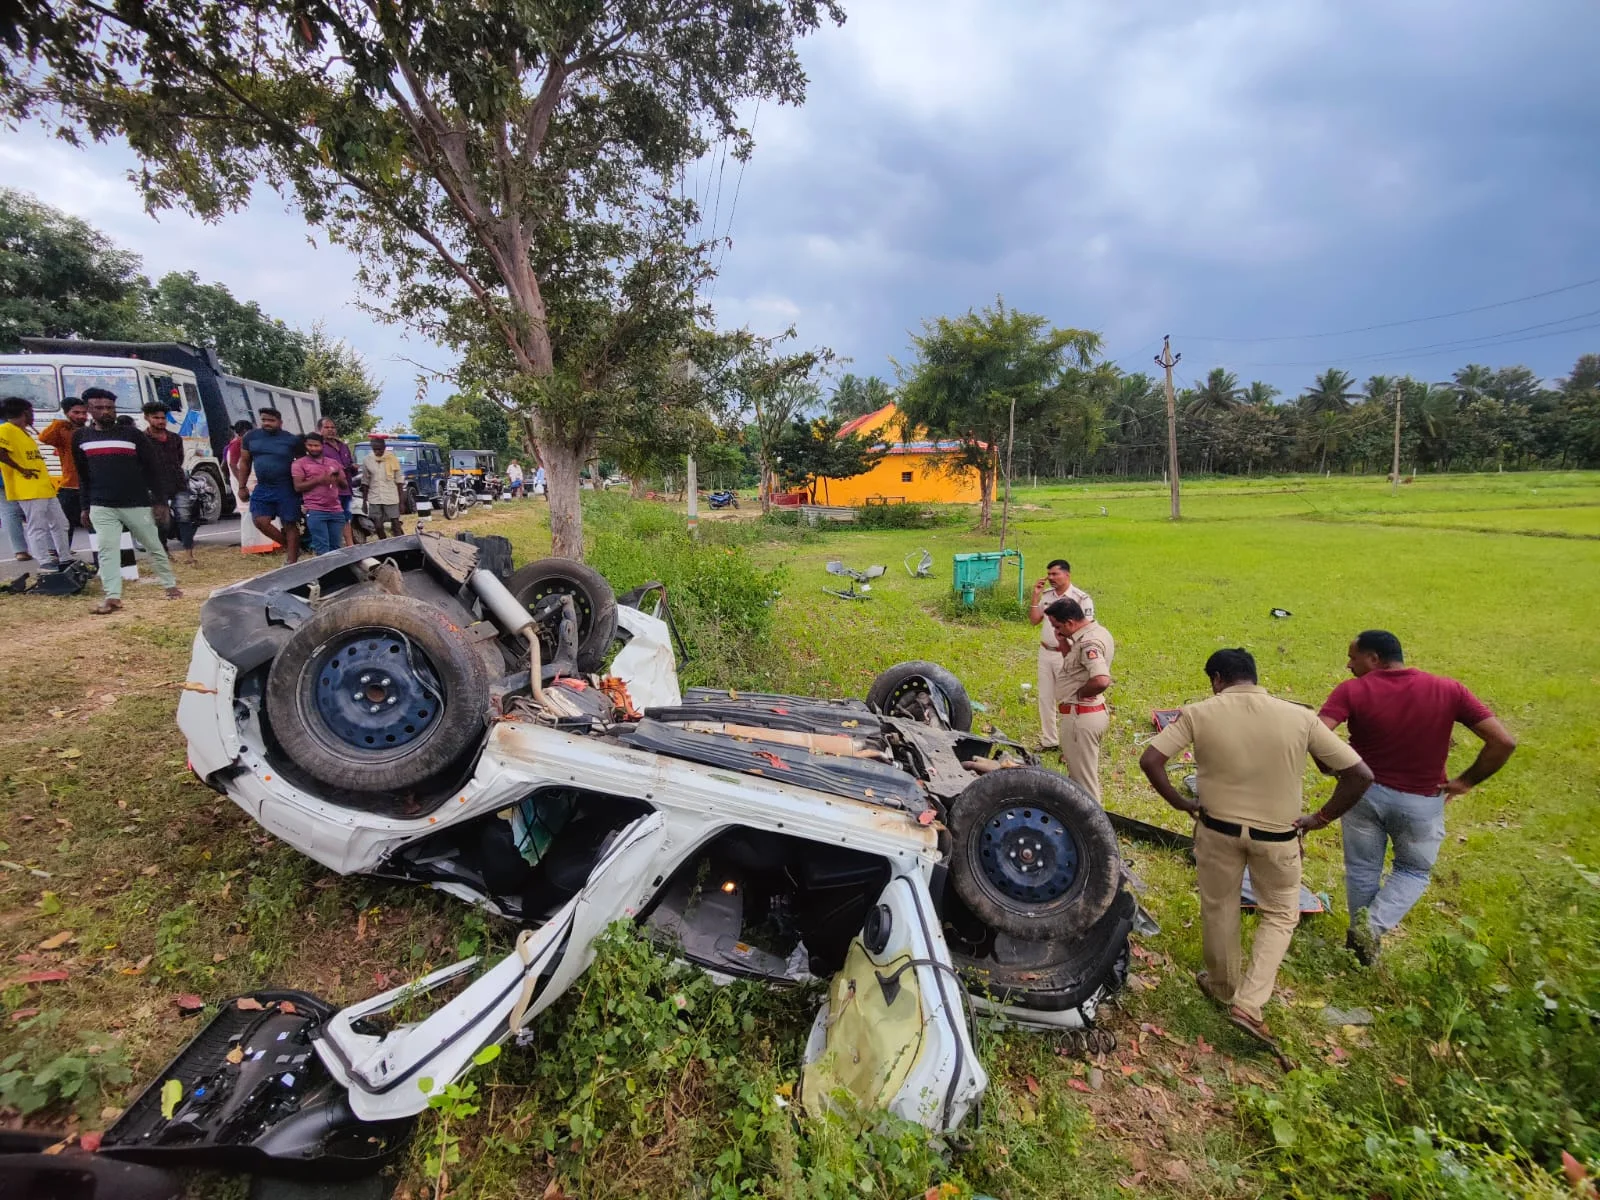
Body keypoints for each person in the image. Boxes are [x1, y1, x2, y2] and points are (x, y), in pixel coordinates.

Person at [1139, 648, 1373, 1046]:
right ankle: (1249, 1002)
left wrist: (1181, 802)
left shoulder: (1199, 712)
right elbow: (1359, 774)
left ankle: (1221, 985)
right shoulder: (1300, 717)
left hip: (1216, 830)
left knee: (1219, 906)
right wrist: (1320, 818)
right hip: (1278, 838)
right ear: (1253, 676)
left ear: (1216, 678)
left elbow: (1151, 760)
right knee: (1281, 913)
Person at [1319, 630, 1516, 963]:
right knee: (1412, 871)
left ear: (1374, 659)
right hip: (1421, 801)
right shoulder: (1448, 689)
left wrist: (1336, 768)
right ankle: (1368, 938)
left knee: (1362, 870)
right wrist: (1466, 781)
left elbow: (1317, 733)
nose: (1348, 665)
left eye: (1353, 657)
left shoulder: (1353, 690)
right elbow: (1503, 742)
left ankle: (1363, 940)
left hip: (1363, 796)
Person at [71, 390, 182, 611]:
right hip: (101, 504)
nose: (106, 412)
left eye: (110, 407)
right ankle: (113, 597)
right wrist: (85, 507)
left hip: (136, 502)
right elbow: (82, 475)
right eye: (99, 408)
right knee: (107, 550)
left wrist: (160, 501)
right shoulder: (81, 437)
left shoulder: (132, 435)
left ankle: (170, 586)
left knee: (153, 546)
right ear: (89, 410)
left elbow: (153, 469)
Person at [1043, 597, 1114, 802]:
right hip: (1087, 714)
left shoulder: (1088, 643)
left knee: (1085, 786)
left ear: (1070, 623)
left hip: (1081, 717)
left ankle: (1093, 829)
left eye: (1057, 626)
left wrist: (1079, 695)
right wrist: (1062, 641)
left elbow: (1101, 680)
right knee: (1077, 777)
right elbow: (1075, 666)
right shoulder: (1095, 632)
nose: (1056, 630)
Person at [1028, 559, 1095, 752]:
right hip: (1045, 651)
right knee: (1045, 697)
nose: (1050, 578)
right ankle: (1050, 740)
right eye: (1048, 574)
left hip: (1067, 654)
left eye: (1055, 574)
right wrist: (1035, 597)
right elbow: (1034, 620)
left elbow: (1087, 628)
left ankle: (1072, 743)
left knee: (1068, 697)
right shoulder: (1047, 596)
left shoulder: (1081, 598)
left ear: (1067, 575)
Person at [0, 397, 74, 570]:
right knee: (37, 526)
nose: (33, 415)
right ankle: (44, 561)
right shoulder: (6, 429)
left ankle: (65, 557)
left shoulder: (24, 431)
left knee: (61, 523)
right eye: (32, 412)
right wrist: (21, 469)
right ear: (25, 412)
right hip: (28, 488)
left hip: (44, 487)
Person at [234, 407, 302, 564]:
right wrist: (242, 486)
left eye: (271, 420)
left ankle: (291, 561)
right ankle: (290, 546)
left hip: (286, 487)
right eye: (264, 420)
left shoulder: (291, 440)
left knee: (289, 523)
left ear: (280, 422)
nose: (267, 423)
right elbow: (244, 462)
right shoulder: (251, 437)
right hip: (263, 486)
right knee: (260, 521)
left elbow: (302, 463)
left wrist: (302, 488)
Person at [143, 401, 197, 565]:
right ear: (147, 418)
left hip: (178, 483)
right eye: (156, 418)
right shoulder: (142, 439)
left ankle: (189, 555)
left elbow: (179, 459)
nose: (160, 421)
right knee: (162, 521)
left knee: (185, 518)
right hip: (155, 486)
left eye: (163, 418)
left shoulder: (174, 438)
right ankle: (164, 553)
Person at [38, 397, 90, 532]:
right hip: (70, 485)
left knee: (94, 523)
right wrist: (59, 423)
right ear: (67, 413)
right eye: (76, 412)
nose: (81, 416)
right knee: (65, 523)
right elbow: (44, 438)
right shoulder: (63, 430)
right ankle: (61, 551)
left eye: (84, 413)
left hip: (91, 485)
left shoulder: (92, 431)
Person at [292, 432, 349, 555]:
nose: (313, 448)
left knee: (336, 547)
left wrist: (337, 477)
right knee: (322, 547)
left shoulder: (333, 463)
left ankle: (336, 573)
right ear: (305, 446)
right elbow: (298, 487)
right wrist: (319, 480)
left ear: (322, 445)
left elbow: (344, 485)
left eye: (316, 445)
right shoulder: (300, 464)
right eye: (310, 445)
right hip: (315, 510)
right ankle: (325, 573)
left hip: (335, 510)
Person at [317, 417, 357, 546]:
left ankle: (350, 544)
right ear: (319, 430)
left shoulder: (343, 446)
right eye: (327, 427)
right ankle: (334, 546)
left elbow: (350, 466)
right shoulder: (319, 447)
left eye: (333, 427)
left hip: (346, 489)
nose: (330, 430)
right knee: (333, 518)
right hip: (330, 491)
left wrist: (353, 468)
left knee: (346, 518)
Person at [358, 434, 405, 538]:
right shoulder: (367, 460)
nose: (377, 452)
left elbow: (399, 482)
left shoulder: (392, 459)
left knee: (396, 525)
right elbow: (365, 481)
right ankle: (384, 544)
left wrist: (402, 502)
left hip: (391, 497)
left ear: (384, 448)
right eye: (375, 450)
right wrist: (364, 502)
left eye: (380, 449)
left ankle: (400, 545)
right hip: (374, 497)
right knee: (378, 526)